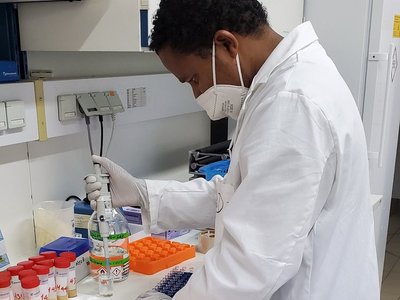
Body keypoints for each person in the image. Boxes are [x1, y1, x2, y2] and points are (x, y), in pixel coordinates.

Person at [85, 0, 380, 299]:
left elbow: (249, 267)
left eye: (194, 79)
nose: (197, 94)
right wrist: (143, 193)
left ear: (226, 44)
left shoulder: (293, 103)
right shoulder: (281, 85)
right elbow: (237, 196)